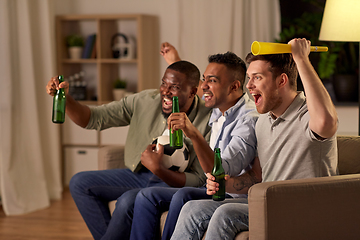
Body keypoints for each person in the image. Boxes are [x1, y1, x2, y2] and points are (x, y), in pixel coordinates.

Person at [170, 38, 339, 240]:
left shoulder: (307, 115)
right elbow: (257, 177)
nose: (248, 86)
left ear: (281, 81)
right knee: (191, 208)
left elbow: (327, 121)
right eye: (249, 78)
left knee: (225, 214)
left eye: (256, 78)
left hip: (304, 209)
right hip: (269, 204)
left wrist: (301, 59)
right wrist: (226, 184)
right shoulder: (262, 122)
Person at [46, 59, 213, 240]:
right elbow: (92, 118)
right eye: (164, 83)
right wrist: (66, 98)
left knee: (127, 201)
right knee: (80, 183)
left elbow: (198, 179)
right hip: (139, 174)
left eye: (175, 87)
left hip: (171, 185)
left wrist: (159, 169)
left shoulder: (209, 119)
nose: (165, 91)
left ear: (192, 92)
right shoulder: (143, 101)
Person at [129, 43, 260, 240]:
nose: (204, 86)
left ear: (234, 86)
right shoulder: (220, 106)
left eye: (212, 80)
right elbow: (199, 91)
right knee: (148, 196)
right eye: (203, 80)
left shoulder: (248, 119)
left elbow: (221, 171)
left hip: (229, 194)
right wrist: (175, 61)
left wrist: (194, 134)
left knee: (183, 196)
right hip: (212, 189)